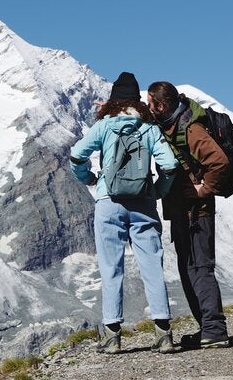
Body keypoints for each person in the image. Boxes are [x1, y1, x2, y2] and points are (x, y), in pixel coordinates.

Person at [69, 72, 180, 354]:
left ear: (113, 101)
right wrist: (158, 191)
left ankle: (112, 337)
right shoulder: (148, 128)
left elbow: (76, 156)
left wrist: (89, 179)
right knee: (152, 266)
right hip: (143, 202)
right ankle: (164, 335)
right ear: (137, 102)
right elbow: (169, 165)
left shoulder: (104, 126)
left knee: (110, 267)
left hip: (109, 201)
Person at [146, 81, 230, 348]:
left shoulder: (190, 128)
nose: (149, 109)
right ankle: (206, 328)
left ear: (160, 105)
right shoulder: (169, 123)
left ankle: (215, 330)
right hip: (182, 209)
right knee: (187, 268)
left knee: (199, 267)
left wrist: (204, 190)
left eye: (150, 104)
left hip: (197, 211)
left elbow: (218, 161)